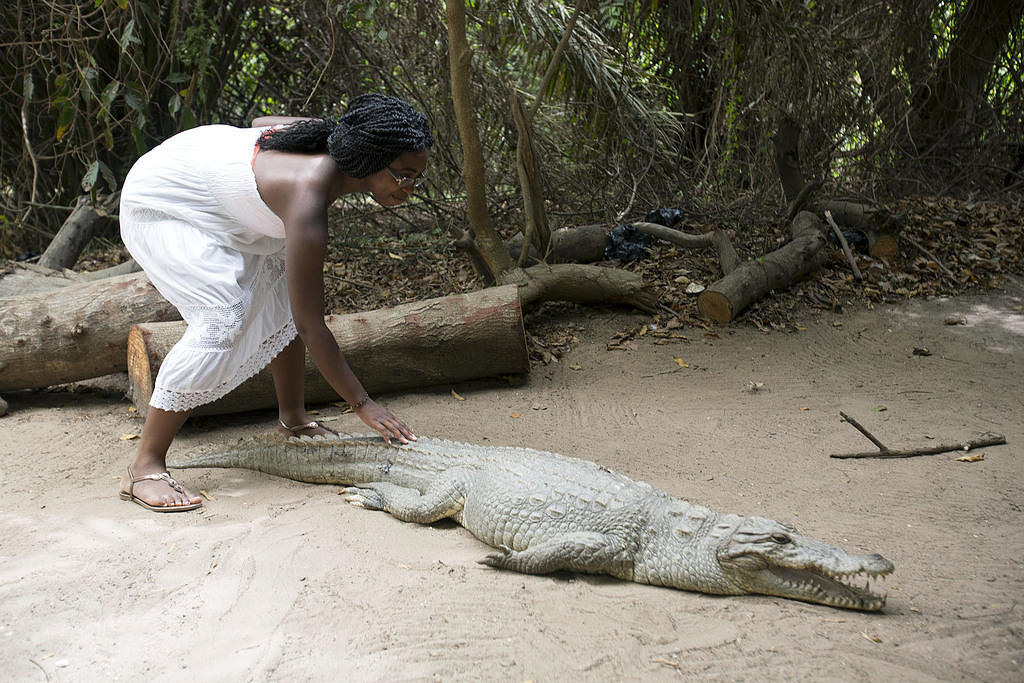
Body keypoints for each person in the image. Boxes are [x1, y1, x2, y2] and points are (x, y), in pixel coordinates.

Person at [118, 94, 431, 512]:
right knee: (223, 318)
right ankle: (144, 466)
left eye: (416, 178)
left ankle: (294, 419)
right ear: (372, 158)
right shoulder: (307, 193)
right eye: (404, 175)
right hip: (164, 204)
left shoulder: (339, 137)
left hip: (214, 190)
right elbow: (310, 324)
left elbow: (262, 119)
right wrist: (363, 404)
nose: (408, 188)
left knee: (281, 290)